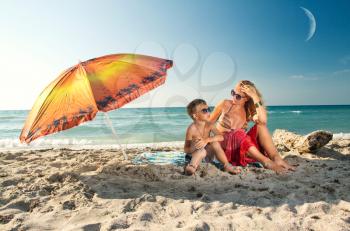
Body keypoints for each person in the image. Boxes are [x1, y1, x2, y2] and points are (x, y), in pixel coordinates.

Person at [209, 80, 296, 174]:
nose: (233, 97)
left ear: (246, 98)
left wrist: (255, 96)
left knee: (260, 127)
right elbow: (208, 123)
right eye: (233, 93)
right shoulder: (225, 104)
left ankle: (276, 158)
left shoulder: (248, 111)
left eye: (238, 96)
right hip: (224, 149)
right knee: (237, 133)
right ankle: (266, 162)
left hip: (241, 149)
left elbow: (263, 121)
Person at [184, 99, 241, 175]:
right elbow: (186, 149)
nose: (208, 112)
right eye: (204, 111)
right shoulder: (191, 129)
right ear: (195, 116)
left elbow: (221, 137)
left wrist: (207, 140)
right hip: (195, 156)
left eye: (208, 109)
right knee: (201, 151)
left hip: (208, 156)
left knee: (214, 143)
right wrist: (194, 146)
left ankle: (226, 165)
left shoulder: (209, 124)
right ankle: (192, 167)